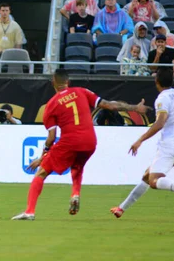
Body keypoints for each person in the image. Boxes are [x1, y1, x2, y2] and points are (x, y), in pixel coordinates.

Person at [11, 68, 150, 220]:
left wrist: (42, 156)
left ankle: (30, 211)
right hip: (90, 141)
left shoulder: (51, 105)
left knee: (41, 173)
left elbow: (51, 137)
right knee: (77, 166)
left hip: (70, 141)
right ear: (68, 82)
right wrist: (134, 108)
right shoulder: (82, 91)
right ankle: (75, 193)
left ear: (53, 83)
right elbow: (111, 106)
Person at [111, 68, 174, 218]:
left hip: (168, 147)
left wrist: (140, 140)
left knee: (154, 181)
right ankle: (121, 209)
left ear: (156, 81)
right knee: (147, 177)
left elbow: (160, 123)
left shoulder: (162, 98)